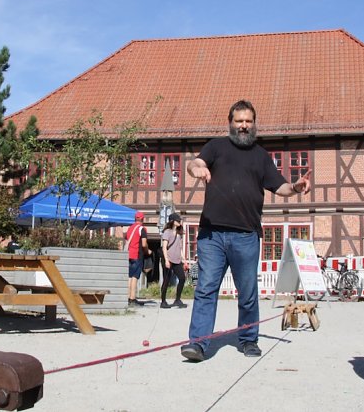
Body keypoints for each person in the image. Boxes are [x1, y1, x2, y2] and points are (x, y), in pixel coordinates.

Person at [180, 99, 311, 362]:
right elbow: (193, 164)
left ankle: (249, 340)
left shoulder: (261, 156)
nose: (243, 126)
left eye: (248, 121)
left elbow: (280, 187)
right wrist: (198, 168)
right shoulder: (215, 147)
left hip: (246, 236)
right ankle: (198, 343)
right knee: (205, 288)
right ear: (230, 122)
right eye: (239, 121)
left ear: (254, 124)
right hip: (212, 235)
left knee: (248, 292)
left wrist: (295, 188)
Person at [160, 212, 187, 309]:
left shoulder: (179, 234)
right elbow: (164, 247)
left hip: (177, 260)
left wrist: (184, 260)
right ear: (173, 221)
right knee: (166, 281)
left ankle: (177, 300)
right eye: (177, 220)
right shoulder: (167, 232)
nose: (179, 221)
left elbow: (179, 248)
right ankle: (163, 301)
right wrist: (166, 260)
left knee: (182, 278)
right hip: (168, 260)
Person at [125, 211, 150, 306]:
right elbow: (143, 244)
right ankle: (132, 299)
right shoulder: (142, 229)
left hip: (129, 255)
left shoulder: (130, 228)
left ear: (135, 218)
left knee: (129, 277)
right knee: (135, 277)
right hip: (137, 255)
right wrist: (148, 251)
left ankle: (127, 298)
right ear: (142, 219)